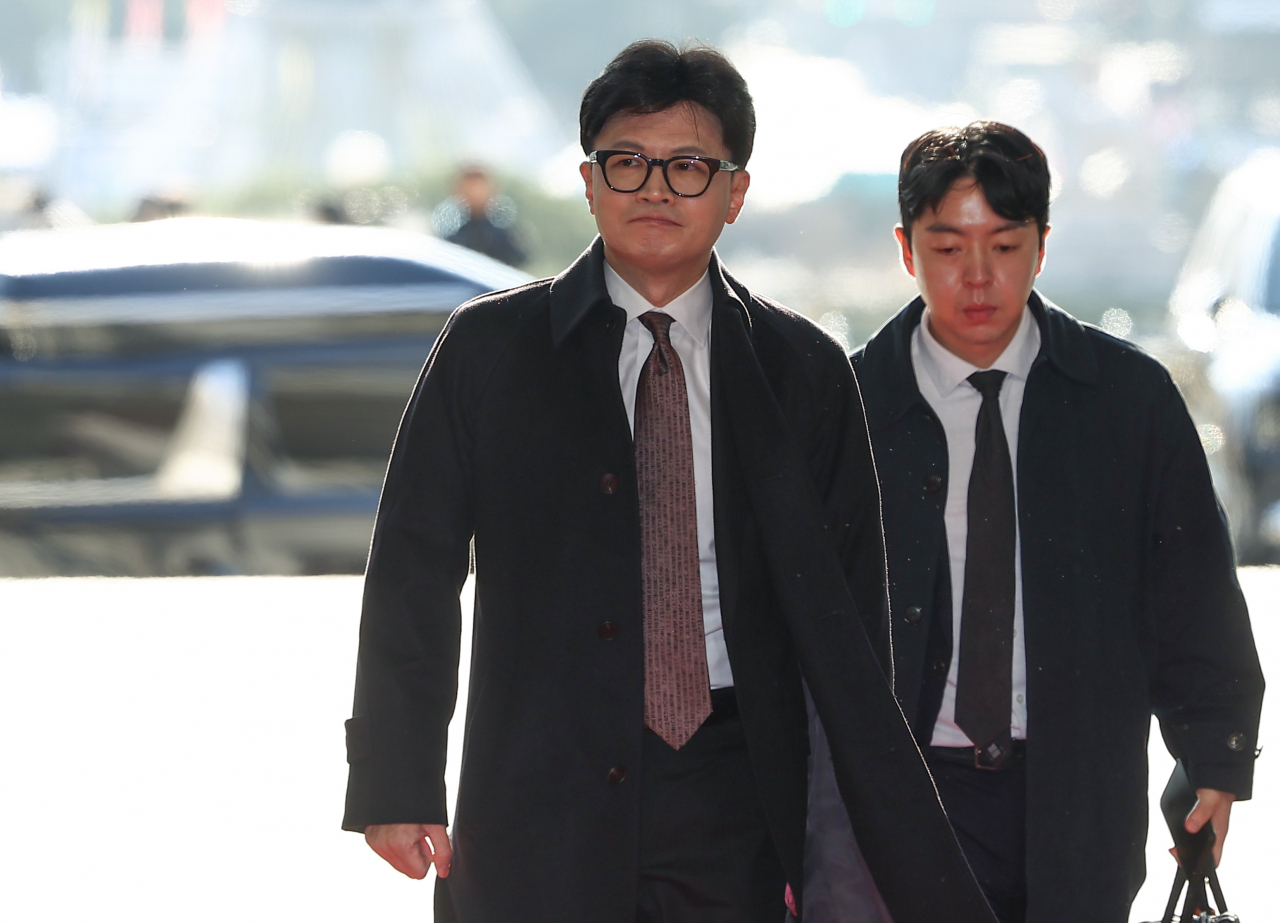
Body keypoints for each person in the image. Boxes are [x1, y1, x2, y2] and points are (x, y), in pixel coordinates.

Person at [342, 40, 993, 923]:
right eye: (628, 162)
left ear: (735, 192)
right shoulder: (487, 352)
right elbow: (411, 579)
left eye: (688, 166)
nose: (655, 188)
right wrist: (396, 775)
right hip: (538, 786)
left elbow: (853, 619)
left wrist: (843, 829)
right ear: (588, 181)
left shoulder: (801, 369)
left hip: (739, 794)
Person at [823, 121, 1264, 923]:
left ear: (1043, 245)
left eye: (1005, 244)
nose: (979, 277)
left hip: (1079, 784)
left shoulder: (1129, 402)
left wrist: (1215, 756)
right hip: (908, 790)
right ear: (905, 248)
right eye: (949, 248)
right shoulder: (847, 409)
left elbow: (1194, 592)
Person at [442, 165, 527, 267]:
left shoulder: (503, 230)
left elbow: (520, 258)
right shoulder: (452, 229)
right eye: (470, 187)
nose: (475, 193)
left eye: (479, 187)